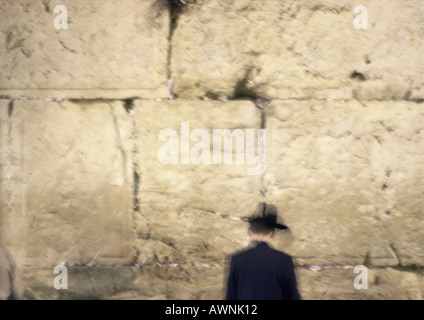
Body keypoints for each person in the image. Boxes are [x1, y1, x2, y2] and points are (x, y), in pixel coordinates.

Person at [226, 203, 300, 300]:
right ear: (273, 234)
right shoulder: (284, 260)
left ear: (249, 231)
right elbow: (292, 296)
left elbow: (231, 296)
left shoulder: (237, 260)